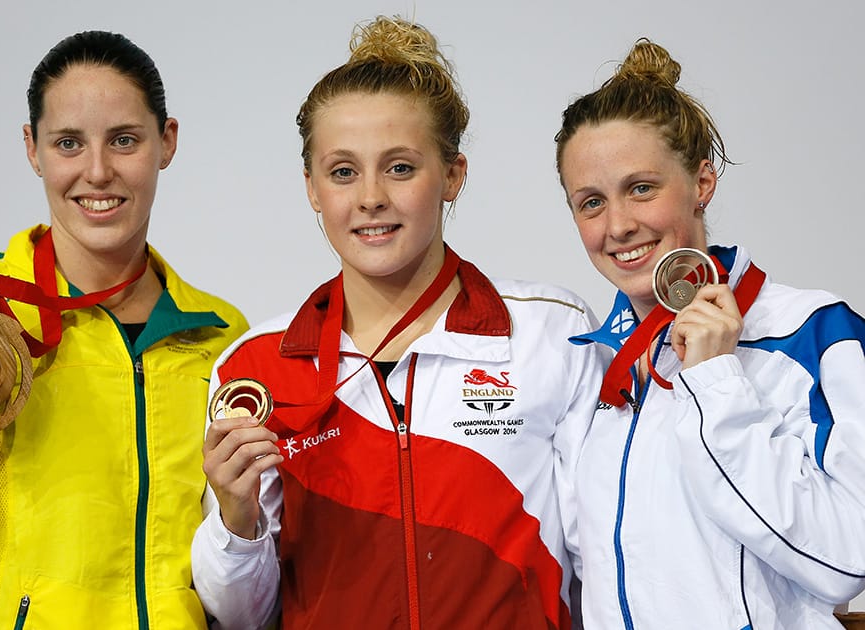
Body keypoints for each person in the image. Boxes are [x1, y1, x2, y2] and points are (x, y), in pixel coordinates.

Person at [191, 15, 605, 630]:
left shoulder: (553, 335)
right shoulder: (257, 368)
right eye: (342, 171)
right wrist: (235, 517)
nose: (370, 198)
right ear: (311, 187)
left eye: (401, 167)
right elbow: (243, 616)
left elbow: (600, 562)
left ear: (453, 176)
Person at [0, 30, 247, 628]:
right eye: (68, 142)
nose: (97, 172)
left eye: (124, 140)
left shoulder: (222, 338)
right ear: (32, 148)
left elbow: (240, 564)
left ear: (166, 142)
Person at [555, 38, 865, 629]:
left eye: (641, 187)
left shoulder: (815, 333)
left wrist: (716, 379)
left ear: (703, 182)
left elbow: (845, 559)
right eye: (590, 202)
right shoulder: (594, 366)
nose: (618, 225)